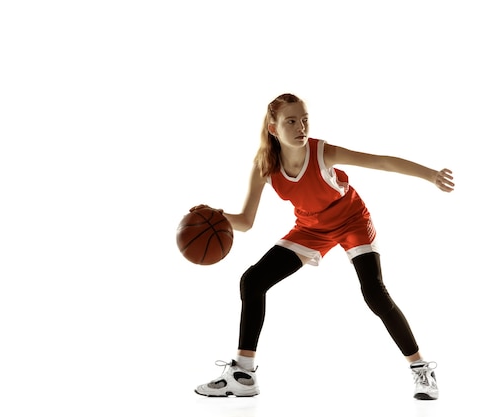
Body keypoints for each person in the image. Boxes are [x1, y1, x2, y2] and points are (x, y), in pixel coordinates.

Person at [192, 93, 454, 400]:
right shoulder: (265, 165)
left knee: (374, 292)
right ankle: (243, 374)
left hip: (352, 220)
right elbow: (246, 221)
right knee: (253, 281)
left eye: (304, 119)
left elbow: (380, 161)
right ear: (273, 128)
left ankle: (420, 368)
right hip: (311, 229)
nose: (301, 127)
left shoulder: (322, 153)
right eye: (291, 121)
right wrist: (213, 216)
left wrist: (432, 175)